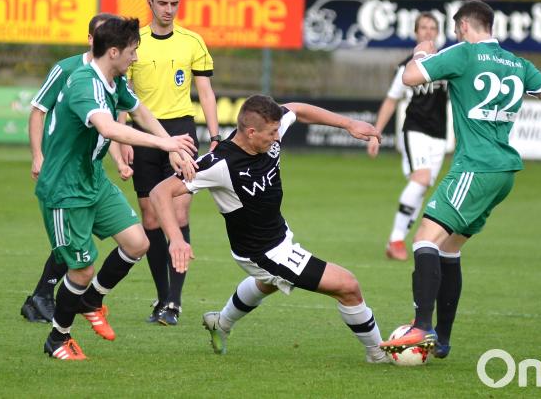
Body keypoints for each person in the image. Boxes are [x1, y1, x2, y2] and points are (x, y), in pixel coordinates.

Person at [380, 0, 541, 359]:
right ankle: (444, 341)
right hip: (503, 172)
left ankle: (421, 326)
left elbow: (409, 78)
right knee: (449, 248)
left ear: (464, 26)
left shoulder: (464, 53)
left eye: (456, 30)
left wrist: (420, 51)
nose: (455, 35)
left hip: (476, 166)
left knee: (424, 238)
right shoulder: (517, 63)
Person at [150, 95, 391, 364]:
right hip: (261, 253)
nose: (277, 138)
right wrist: (175, 239)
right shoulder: (220, 163)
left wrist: (348, 124)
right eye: (272, 133)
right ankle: (378, 354)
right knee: (348, 285)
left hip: (278, 236)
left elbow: (298, 109)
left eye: (278, 130)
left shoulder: (270, 132)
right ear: (251, 132)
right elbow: (160, 192)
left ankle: (221, 322)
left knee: (269, 284)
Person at [36, 17, 198, 360]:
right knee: (81, 270)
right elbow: (109, 129)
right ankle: (57, 339)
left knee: (138, 242)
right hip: (66, 188)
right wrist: (165, 146)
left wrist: (172, 145)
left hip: (93, 179)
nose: (136, 58)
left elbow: (140, 111)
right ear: (113, 52)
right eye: (132, 51)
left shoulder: (114, 79)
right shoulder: (84, 83)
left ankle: (92, 301)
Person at [21, 13, 133, 323]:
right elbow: (38, 111)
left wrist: (121, 159)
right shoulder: (68, 69)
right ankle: (46, 300)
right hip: (63, 169)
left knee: (91, 242)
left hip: (90, 169)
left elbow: (109, 126)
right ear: (92, 41)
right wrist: (37, 155)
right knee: (74, 244)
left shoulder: (113, 78)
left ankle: (55, 297)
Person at [123, 0, 220, 326]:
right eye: (162, 3)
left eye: (174, 3)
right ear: (148, 3)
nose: (168, 9)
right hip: (145, 136)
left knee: (178, 217)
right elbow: (125, 95)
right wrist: (122, 140)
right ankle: (162, 297)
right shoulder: (135, 44)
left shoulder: (192, 41)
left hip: (181, 134)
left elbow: (205, 92)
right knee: (150, 219)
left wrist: (214, 136)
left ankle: (175, 304)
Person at [367, 12, 450, 261]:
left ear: (437, 33)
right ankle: (395, 239)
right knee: (421, 179)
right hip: (415, 130)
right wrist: (375, 133)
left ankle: (398, 241)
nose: (427, 32)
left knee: (421, 188)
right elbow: (392, 100)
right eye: (423, 28)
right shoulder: (408, 66)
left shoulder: (446, 63)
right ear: (416, 33)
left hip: (439, 135)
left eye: (432, 28)